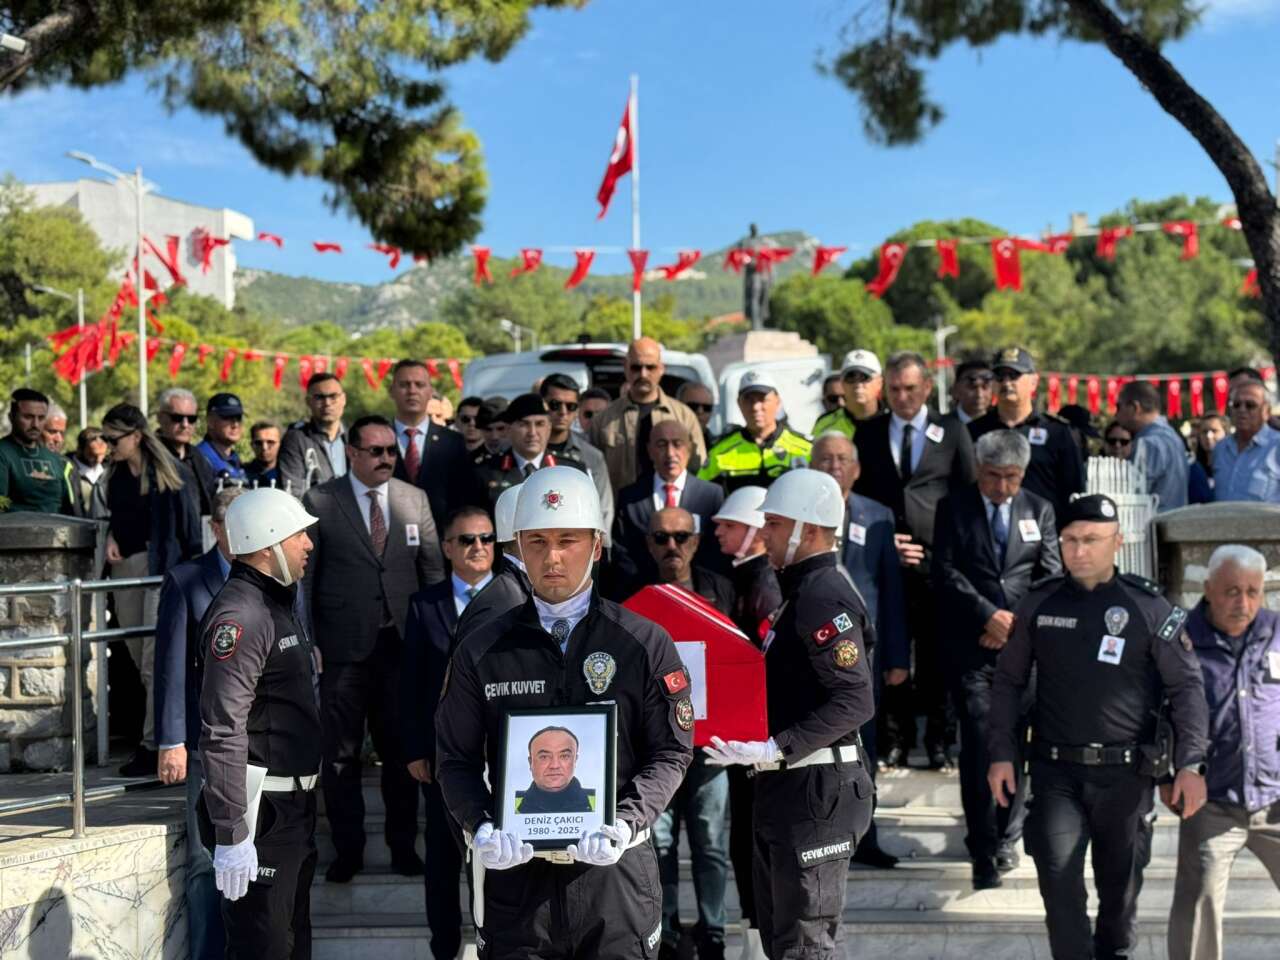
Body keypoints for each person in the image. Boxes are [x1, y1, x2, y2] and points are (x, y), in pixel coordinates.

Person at [435, 465, 694, 960]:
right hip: (516, 884)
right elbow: (455, 759)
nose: (552, 557)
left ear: (596, 546)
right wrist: (480, 825)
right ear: (517, 548)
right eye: (536, 542)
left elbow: (671, 750)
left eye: (567, 540)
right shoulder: (482, 649)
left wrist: (628, 821)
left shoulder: (643, 642)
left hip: (614, 880)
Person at [987, 493, 1210, 960]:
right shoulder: (1039, 603)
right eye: (1070, 539)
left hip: (1126, 778)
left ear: (1117, 543)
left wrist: (1191, 763)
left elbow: (1187, 688)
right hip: (1055, 774)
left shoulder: (1149, 607)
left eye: (1091, 540)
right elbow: (1007, 681)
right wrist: (1001, 754)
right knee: (1059, 885)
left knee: (1119, 899)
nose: (1079, 550)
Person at [704, 468, 875, 960]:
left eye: (775, 525)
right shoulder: (800, 593)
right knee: (785, 942)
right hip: (789, 786)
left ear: (810, 530)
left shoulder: (823, 595)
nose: (766, 534)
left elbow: (854, 700)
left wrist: (779, 746)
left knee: (804, 946)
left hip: (815, 790)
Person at [301, 414, 445, 882]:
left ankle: (403, 847)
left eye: (391, 451)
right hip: (343, 649)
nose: (387, 459)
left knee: (403, 752)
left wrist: (439, 641)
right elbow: (307, 579)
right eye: (377, 451)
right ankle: (349, 851)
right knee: (339, 756)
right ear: (353, 453)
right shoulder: (321, 500)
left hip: (403, 647)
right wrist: (312, 643)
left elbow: (432, 574)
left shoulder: (413, 498)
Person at [932, 430, 1061, 890]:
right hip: (974, 651)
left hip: (1023, 655)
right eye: (993, 477)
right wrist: (987, 616)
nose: (1002, 487)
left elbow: (1050, 578)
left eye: (1011, 478)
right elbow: (944, 571)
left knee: (1017, 746)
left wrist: (1015, 626)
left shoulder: (1038, 509)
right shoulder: (955, 507)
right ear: (979, 470)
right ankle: (982, 845)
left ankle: (1007, 835)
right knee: (982, 744)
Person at [197, 487, 321, 958]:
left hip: (291, 810)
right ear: (269, 543)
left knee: (292, 944)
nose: (308, 544)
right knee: (263, 948)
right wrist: (232, 833)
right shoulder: (242, 615)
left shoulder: (276, 603)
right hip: (260, 816)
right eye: (298, 535)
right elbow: (223, 728)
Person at [854, 351, 976, 769]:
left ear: (927, 386)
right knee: (889, 653)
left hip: (936, 563)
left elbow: (966, 494)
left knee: (937, 654)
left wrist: (948, 553)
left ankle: (939, 741)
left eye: (910, 388)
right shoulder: (868, 433)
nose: (902, 396)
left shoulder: (952, 430)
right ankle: (894, 739)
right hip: (885, 560)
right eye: (894, 389)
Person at [1167, 545, 1280, 960]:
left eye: (1253, 591)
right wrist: (1167, 774)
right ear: (1208, 588)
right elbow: (1157, 714)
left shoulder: (1277, 630)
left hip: (1275, 795)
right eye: (1232, 591)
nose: (1243, 602)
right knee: (1198, 908)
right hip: (1211, 802)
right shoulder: (1180, 638)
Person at [154, 487, 247, 960]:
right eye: (232, 523)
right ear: (215, 527)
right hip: (206, 744)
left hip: (261, 743)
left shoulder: (278, 580)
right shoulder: (187, 579)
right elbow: (169, 665)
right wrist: (171, 739)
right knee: (206, 861)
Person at [401, 505, 495, 960]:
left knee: (499, 856)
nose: (478, 547)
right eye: (467, 540)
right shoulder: (425, 605)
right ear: (448, 548)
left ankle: (498, 942)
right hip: (444, 758)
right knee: (441, 859)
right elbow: (411, 685)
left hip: (503, 755)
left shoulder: (518, 598)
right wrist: (417, 749)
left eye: (486, 539)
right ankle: (445, 948)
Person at [809, 432, 906, 866]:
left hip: (864, 658)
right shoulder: (800, 514)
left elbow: (892, 591)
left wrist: (898, 657)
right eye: (825, 458)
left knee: (865, 747)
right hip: (810, 655)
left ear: (857, 467)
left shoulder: (879, 515)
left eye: (842, 459)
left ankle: (866, 836)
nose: (833, 466)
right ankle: (823, 835)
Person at [645, 505, 732, 960]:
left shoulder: (721, 590)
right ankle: (666, 929)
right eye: (661, 537)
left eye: (681, 537)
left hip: (710, 744)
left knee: (711, 841)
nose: (672, 546)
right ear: (648, 544)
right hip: (654, 746)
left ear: (697, 542)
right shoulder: (633, 595)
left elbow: (739, 663)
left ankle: (713, 930)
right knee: (658, 842)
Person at [98, 402, 203, 777]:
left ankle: (155, 744)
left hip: (164, 574)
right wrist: (111, 534)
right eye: (104, 438)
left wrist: (194, 582)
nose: (108, 445)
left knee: (153, 664)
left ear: (136, 436)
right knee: (136, 656)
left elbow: (191, 533)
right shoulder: (116, 475)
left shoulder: (172, 474)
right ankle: (156, 740)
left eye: (114, 438)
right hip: (127, 569)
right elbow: (115, 516)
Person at [708, 487, 780, 942]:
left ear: (754, 532)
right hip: (746, 738)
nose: (717, 530)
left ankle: (760, 934)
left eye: (728, 525)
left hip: (757, 740)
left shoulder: (763, 586)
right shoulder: (750, 580)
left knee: (753, 842)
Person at [612, 420, 725, 598]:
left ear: (689, 448)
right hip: (645, 595)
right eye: (661, 445)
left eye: (677, 444)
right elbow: (623, 552)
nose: (670, 453)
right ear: (650, 450)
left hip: (699, 594)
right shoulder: (630, 498)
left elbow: (716, 551)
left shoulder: (712, 495)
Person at [968, 347, 1085, 520]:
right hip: (985, 531)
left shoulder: (1058, 432)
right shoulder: (974, 431)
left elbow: (1074, 490)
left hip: (1042, 534)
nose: (1007, 383)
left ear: (1033, 381)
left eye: (1014, 376)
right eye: (1000, 377)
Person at [588, 337, 707, 492]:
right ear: (625, 367)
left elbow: (699, 469)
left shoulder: (684, 416)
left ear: (661, 369)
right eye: (636, 367)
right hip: (620, 511)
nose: (643, 374)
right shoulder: (603, 420)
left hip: (671, 509)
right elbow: (593, 475)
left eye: (650, 367)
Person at [389, 359, 475, 526]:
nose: (412, 391)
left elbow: (464, 498)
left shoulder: (453, 442)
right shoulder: (378, 439)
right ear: (392, 391)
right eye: (404, 385)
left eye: (419, 385)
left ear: (430, 391)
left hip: (442, 540)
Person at [698, 371, 812, 493]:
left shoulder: (806, 448)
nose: (755, 407)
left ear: (777, 402)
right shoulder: (719, 452)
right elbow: (701, 494)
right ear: (739, 403)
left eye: (763, 399)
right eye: (749, 400)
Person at [474, 393, 590, 510]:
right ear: (509, 429)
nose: (532, 432)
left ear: (549, 427)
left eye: (540, 424)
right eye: (524, 424)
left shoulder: (571, 470)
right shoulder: (484, 471)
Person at [540, 374, 615, 538]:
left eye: (571, 406)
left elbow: (603, 510)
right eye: (555, 405)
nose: (563, 412)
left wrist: (600, 553)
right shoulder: (526, 451)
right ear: (542, 404)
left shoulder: (592, 457)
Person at [1115, 379, 1188, 511]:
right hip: (1173, 524)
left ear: (1135, 408)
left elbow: (1134, 498)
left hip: (1151, 526)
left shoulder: (1147, 443)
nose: (1116, 414)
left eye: (1119, 406)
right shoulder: (1172, 437)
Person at [0, 388, 74, 513]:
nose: (35, 424)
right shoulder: (3, 453)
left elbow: (66, 507)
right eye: (28, 417)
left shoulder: (54, 458)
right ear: (11, 417)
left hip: (57, 529)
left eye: (41, 418)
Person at [278, 372, 347, 496]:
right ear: (308, 402)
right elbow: (293, 492)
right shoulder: (296, 440)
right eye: (320, 397)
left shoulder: (355, 439)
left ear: (343, 399)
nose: (327, 403)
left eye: (333, 396)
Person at [1212, 380, 1280, 503]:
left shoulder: (1276, 446)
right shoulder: (1220, 448)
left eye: (1250, 405)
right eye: (1236, 404)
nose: (1242, 410)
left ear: (1266, 411)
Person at [156, 387, 216, 516]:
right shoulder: (147, 456)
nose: (185, 424)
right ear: (160, 417)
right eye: (177, 418)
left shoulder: (199, 459)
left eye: (192, 419)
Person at [516, 727, 597, 813]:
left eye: (564, 756)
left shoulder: (601, 801)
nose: (554, 766)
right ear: (530, 762)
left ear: (575, 760)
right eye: (544, 757)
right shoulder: (507, 804)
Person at [812, 349, 883, 438]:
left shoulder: (895, 423)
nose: (857, 384)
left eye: (864, 377)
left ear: (879, 382)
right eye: (850, 377)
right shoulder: (825, 425)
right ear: (842, 383)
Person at [193, 392, 248, 489]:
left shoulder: (236, 460)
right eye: (227, 417)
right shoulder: (199, 458)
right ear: (210, 421)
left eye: (238, 418)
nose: (235, 425)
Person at [69, 426, 108, 516]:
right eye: (93, 455)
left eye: (102, 455)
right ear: (80, 449)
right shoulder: (68, 470)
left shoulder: (109, 468)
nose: (98, 460)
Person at [1188, 414, 1227, 504]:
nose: (1209, 436)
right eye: (1204, 432)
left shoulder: (1233, 467)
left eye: (1214, 431)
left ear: (1225, 432)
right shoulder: (1193, 468)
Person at [951, 358, 994, 426]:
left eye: (985, 387)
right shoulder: (943, 427)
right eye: (972, 387)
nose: (979, 394)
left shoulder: (999, 426)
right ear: (956, 389)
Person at [677, 381, 717, 450]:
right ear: (677, 407)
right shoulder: (663, 441)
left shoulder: (718, 445)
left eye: (706, 407)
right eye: (693, 406)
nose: (700, 412)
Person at [245, 421, 282, 488]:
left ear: (280, 444)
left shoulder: (288, 475)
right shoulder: (242, 474)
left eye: (270, 442)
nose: (264, 447)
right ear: (252, 445)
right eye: (258, 443)